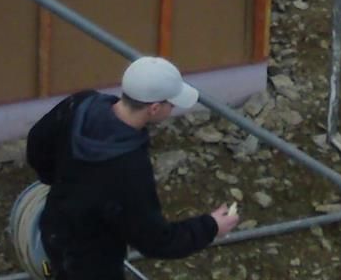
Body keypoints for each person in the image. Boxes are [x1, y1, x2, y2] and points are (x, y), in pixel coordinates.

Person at [23, 56, 239, 280]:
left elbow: (37, 145)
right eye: (171, 104)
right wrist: (211, 227)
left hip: (55, 226)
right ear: (154, 108)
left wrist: (61, 184)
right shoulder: (128, 167)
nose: (173, 108)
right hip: (92, 261)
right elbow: (156, 241)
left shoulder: (81, 104)